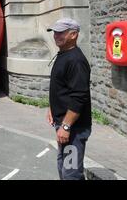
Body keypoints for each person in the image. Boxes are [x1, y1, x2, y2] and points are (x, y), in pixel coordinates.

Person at [46, 18, 92, 180]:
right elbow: (61, 87)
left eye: (61, 32)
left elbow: (79, 96)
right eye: (55, 32)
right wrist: (52, 108)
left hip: (74, 128)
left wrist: (65, 126)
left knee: (71, 172)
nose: (56, 36)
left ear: (74, 34)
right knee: (63, 166)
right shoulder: (64, 55)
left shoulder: (76, 60)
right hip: (64, 124)